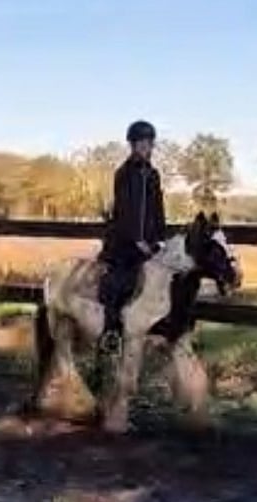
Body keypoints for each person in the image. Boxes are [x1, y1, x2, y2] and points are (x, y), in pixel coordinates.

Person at [98, 120, 167, 352]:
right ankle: (111, 333)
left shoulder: (154, 174)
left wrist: (160, 237)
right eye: (144, 143)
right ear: (133, 145)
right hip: (125, 242)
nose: (149, 148)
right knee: (119, 282)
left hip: (151, 242)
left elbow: (158, 208)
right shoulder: (123, 174)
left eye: (151, 143)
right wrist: (137, 241)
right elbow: (127, 210)